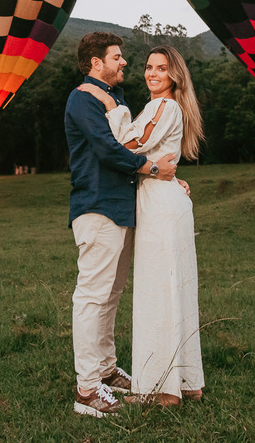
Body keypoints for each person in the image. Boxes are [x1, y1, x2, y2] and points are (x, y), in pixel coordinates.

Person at [79, 45, 205, 406]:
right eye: (148, 67)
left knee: (157, 293)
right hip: (165, 199)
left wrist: (111, 106)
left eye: (161, 69)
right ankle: (187, 381)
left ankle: (162, 390)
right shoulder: (170, 107)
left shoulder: (162, 106)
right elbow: (150, 151)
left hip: (159, 206)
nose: (152, 74)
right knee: (175, 290)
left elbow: (128, 142)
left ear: (174, 75)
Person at [65, 32, 180, 418]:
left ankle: (106, 370)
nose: (125, 63)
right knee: (92, 296)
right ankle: (86, 389)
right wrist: (151, 168)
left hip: (122, 208)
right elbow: (106, 148)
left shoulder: (115, 99)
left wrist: (167, 175)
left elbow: (136, 143)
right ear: (97, 63)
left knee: (111, 295)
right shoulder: (82, 98)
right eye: (118, 57)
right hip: (97, 207)